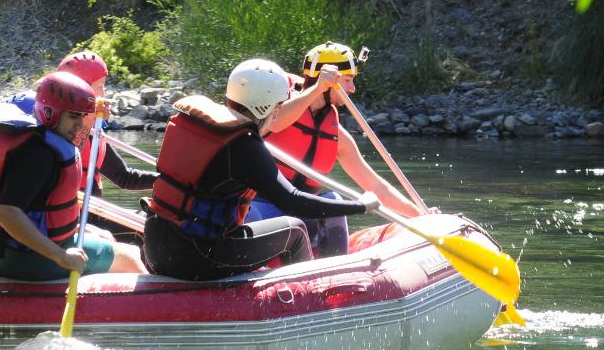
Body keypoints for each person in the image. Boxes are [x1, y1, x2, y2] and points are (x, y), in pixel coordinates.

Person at [143, 59, 379, 281]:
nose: (279, 111)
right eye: (279, 104)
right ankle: (311, 298)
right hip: (201, 256)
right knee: (294, 230)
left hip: (155, 246)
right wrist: (361, 205)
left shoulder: (196, 124)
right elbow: (294, 202)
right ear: (267, 105)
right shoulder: (245, 145)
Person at [250, 42, 421, 256]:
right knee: (253, 215)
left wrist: (419, 215)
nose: (352, 89)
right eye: (348, 80)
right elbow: (275, 123)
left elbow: (375, 185)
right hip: (262, 210)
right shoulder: (274, 109)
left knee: (333, 201)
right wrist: (317, 89)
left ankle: (331, 278)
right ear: (327, 79)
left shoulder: (336, 134)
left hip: (302, 215)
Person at [0, 71, 144, 281]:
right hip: (23, 259)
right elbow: (7, 214)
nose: (80, 124)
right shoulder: (38, 156)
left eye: (82, 116)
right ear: (49, 112)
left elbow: (77, 145)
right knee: (129, 255)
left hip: (0, 248)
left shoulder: (36, 139)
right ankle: (161, 313)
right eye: (73, 116)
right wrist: (62, 257)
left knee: (103, 235)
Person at [56, 51, 158, 198]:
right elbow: (72, 158)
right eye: (100, 87)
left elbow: (124, 177)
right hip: (75, 215)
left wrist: (165, 182)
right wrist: (89, 117)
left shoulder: (93, 133)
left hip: (93, 213)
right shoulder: (57, 132)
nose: (103, 94)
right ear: (81, 90)